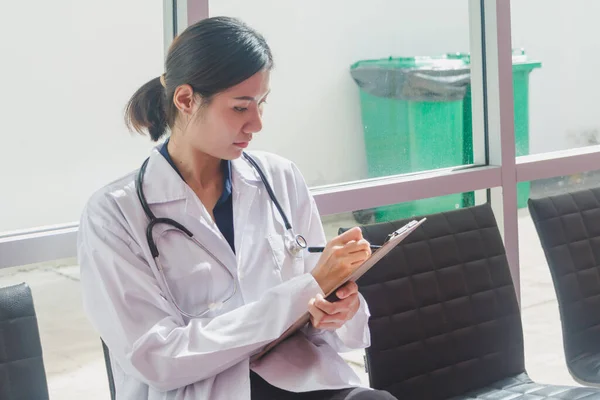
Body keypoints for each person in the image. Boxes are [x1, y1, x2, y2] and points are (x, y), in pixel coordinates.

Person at [77, 16, 397, 400]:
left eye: (261, 104)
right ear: (185, 100)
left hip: (301, 379)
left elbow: (321, 314)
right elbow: (157, 359)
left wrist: (336, 310)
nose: (257, 123)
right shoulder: (114, 215)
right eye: (240, 107)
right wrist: (305, 291)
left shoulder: (280, 178)